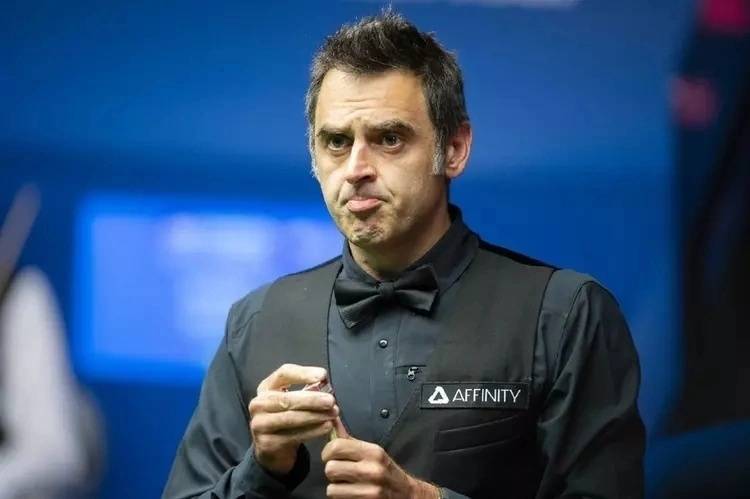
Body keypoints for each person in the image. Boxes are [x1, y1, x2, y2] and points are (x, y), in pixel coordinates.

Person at [163, 11, 645, 499]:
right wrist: (261, 471)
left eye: (389, 139)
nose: (356, 169)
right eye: (336, 142)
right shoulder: (254, 322)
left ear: (454, 148)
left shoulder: (564, 316)